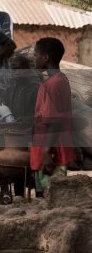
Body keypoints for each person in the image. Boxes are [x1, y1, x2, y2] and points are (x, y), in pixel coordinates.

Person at [30, 37, 76, 194]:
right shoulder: (58, 80)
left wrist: (46, 152)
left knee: (50, 197)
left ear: (45, 57)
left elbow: (54, 122)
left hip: (52, 153)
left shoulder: (53, 84)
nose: (34, 60)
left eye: (35, 56)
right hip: (49, 149)